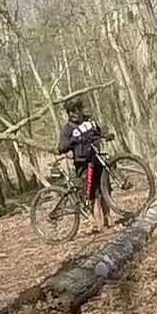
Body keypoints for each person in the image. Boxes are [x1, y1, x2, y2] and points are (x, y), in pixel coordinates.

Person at [55, 98, 114, 232]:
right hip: (82, 164)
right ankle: (95, 224)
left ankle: (108, 219)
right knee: (90, 194)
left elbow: (101, 130)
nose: (73, 114)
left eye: (75, 111)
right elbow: (61, 147)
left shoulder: (89, 122)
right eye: (70, 112)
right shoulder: (67, 129)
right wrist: (73, 140)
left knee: (105, 190)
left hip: (97, 159)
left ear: (80, 110)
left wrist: (106, 135)